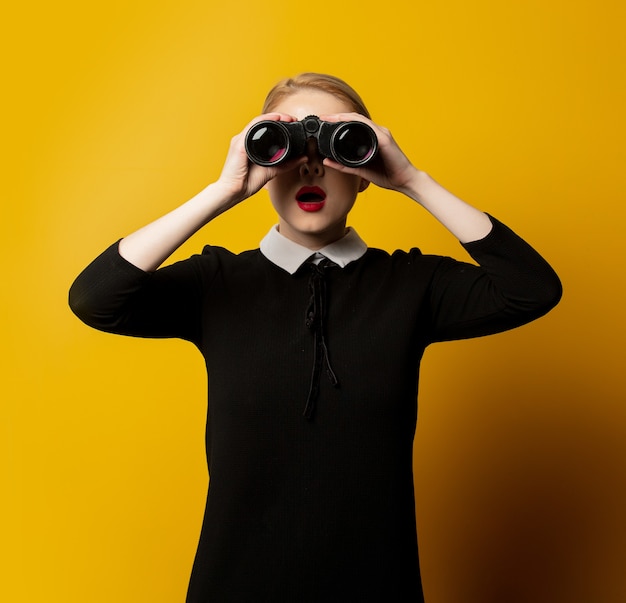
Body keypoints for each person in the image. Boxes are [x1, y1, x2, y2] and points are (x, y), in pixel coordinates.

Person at [69, 73, 562, 602]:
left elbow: (532, 289)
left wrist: (412, 179)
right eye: (287, 149)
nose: (308, 164)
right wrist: (223, 191)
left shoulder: (413, 286)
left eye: (333, 146)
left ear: (364, 170)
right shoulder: (216, 285)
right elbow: (95, 298)